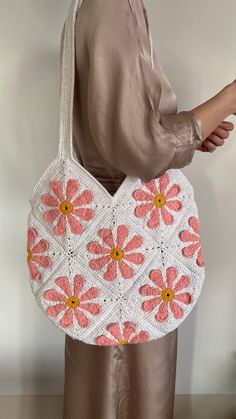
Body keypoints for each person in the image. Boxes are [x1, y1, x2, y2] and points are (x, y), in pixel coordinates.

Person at [60, 1, 236, 418]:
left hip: (104, 235)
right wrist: (227, 99)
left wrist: (190, 131)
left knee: (104, 364)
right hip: (129, 236)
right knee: (133, 374)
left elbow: (129, 129)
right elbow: (141, 148)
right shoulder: (112, 6)